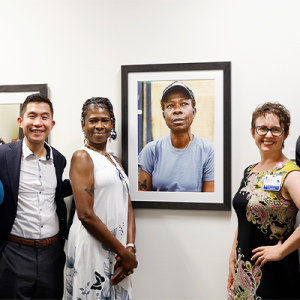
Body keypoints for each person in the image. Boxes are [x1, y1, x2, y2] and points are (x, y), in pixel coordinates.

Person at [0, 93, 72, 299]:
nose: (38, 123)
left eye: (44, 117)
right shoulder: (3, 156)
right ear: (21, 121)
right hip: (14, 252)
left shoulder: (59, 159)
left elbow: (55, 193)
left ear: (52, 123)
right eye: (32, 116)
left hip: (52, 254)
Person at [65, 97, 138, 300]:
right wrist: (123, 253)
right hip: (92, 246)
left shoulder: (114, 160)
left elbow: (128, 207)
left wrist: (129, 248)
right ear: (83, 124)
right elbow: (85, 215)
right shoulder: (82, 157)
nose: (99, 125)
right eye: (93, 120)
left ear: (112, 124)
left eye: (105, 120)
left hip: (119, 249)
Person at [227, 102, 300, 299]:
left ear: (285, 134)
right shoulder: (250, 171)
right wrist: (233, 256)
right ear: (253, 132)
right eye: (263, 129)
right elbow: (244, 218)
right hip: (244, 267)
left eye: (276, 130)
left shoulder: (290, 173)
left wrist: (282, 251)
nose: (268, 135)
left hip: (274, 272)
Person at [138, 81, 214, 192]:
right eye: (170, 105)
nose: (177, 110)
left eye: (184, 104)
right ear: (164, 114)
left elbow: (210, 201)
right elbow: (143, 198)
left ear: (194, 111)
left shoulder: (210, 152)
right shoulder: (151, 151)